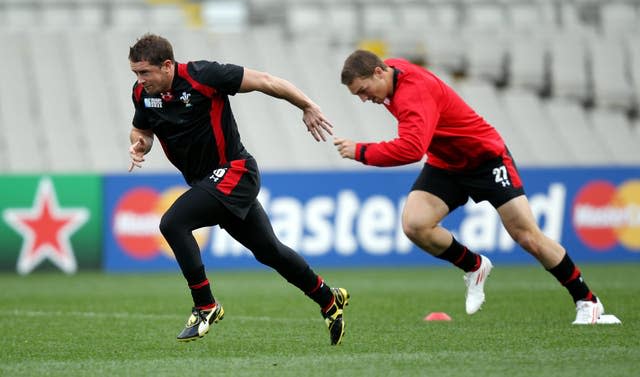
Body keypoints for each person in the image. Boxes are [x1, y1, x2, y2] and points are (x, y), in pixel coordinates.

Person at [334, 49, 605, 324]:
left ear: (379, 72)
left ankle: (587, 301)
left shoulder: (412, 92)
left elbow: (412, 149)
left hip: (485, 159)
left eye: (364, 91)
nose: (364, 99)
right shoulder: (389, 73)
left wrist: (361, 151)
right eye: (358, 95)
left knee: (528, 237)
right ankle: (474, 266)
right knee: (415, 225)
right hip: (447, 163)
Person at [126, 33, 349, 344]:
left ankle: (206, 305)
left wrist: (307, 105)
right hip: (209, 183)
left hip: (235, 172)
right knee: (269, 251)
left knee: (173, 223)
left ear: (167, 66)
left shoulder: (205, 76)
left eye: (144, 72)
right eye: (135, 72)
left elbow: (266, 81)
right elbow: (142, 129)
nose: (139, 79)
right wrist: (140, 145)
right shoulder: (142, 94)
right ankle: (328, 298)